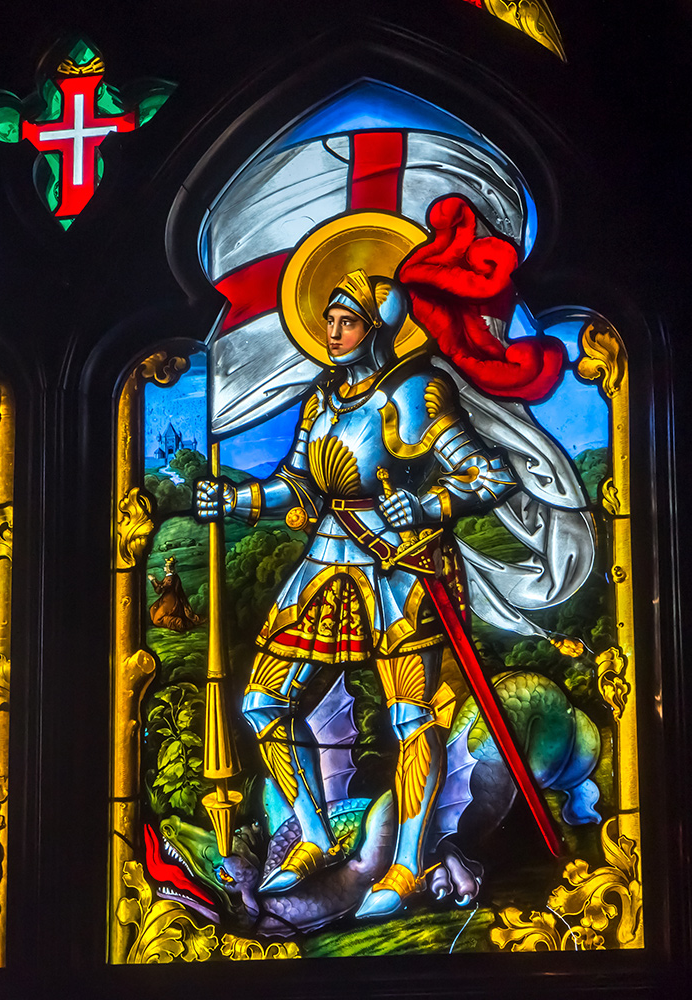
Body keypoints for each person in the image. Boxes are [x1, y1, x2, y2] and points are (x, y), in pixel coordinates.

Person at [195, 268, 518, 920]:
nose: (332, 332)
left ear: (379, 328)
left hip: (398, 564)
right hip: (325, 558)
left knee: (411, 718)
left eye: (346, 321)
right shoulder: (321, 400)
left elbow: (489, 473)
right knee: (261, 702)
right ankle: (313, 832)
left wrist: (427, 504)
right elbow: (300, 485)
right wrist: (239, 498)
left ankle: (406, 863)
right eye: (329, 320)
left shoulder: (417, 393)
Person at [148, 555, 203, 632]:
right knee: (153, 609)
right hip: (166, 600)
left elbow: (159, 590)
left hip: (171, 602)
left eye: (166, 566)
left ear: (169, 569)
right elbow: (162, 584)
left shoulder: (171, 579)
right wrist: (155, 580)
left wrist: (153, 580)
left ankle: (179, 623)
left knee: (157, 620)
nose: (164, 568)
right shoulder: (170, 577)